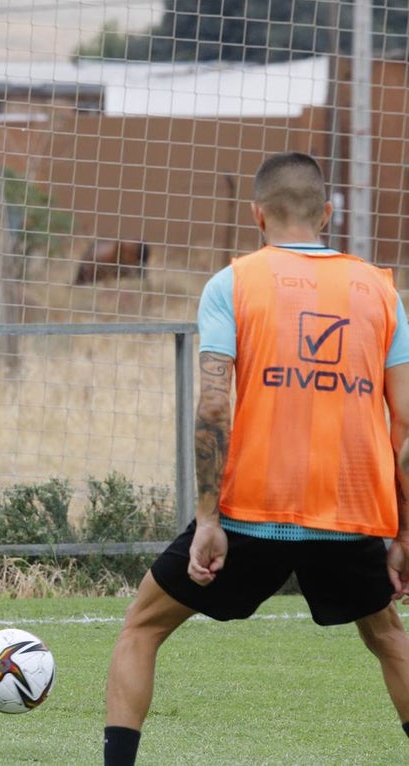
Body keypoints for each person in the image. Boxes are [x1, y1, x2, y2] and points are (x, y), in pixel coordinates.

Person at [103, 152, 409, 765]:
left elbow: (214, 404)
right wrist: (404, 531)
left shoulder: (233, 282)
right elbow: (406, 425)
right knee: (387, 638)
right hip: (349, 513)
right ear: (326, 213)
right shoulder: (381, 290)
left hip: (251, 512)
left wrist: (207, 518)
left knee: (142, 628)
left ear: (256, 216)